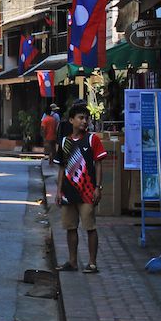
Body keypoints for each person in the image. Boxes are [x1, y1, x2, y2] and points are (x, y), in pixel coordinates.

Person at [57, 102, 106, 274]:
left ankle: (92, 263)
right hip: (68, 191)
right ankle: (72, 261)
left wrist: (98, 187)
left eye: (86, 118)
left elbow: (99, 164)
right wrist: (58, 191)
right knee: (70, 227)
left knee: (89, 227)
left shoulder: (93, 139)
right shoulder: (65, 142)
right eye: (80, 118)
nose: (84, 121)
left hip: (87, 192)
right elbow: (62, 167)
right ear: (71, 120)